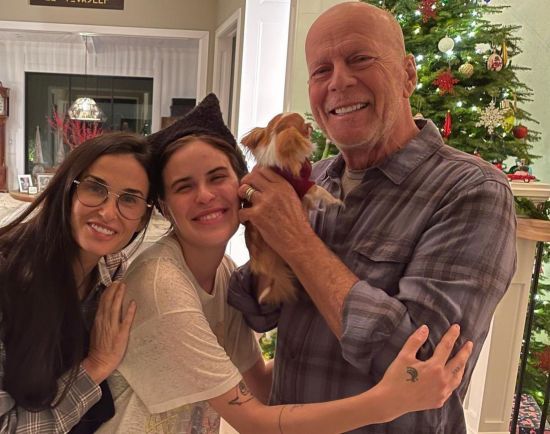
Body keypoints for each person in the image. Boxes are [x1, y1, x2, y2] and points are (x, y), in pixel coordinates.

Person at [99, 94, 472, 434]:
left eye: (217, 177)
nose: (206, 195)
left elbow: (260, 384)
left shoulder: (223, 271)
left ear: (244, 183)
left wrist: (345, 352)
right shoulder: (161, 282)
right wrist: (388, 401)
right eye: (184, 187)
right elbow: (254, 421)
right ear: (164, 206)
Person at [228, 3, 517, 433]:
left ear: (408, 74)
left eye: (360, 58)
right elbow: (261, 312)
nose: (339, 81)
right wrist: (222, 230)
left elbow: (420, 369)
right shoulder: (313, 179)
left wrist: (296, 240)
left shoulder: (472, 190)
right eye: (321, 70)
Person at [0, 133, 154, 432]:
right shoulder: (8, 275)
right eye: (95, 188)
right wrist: (96, 365)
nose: (108, 213)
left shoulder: (113, 273)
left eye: (129, 199)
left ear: (144, 217)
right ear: (67, 189)